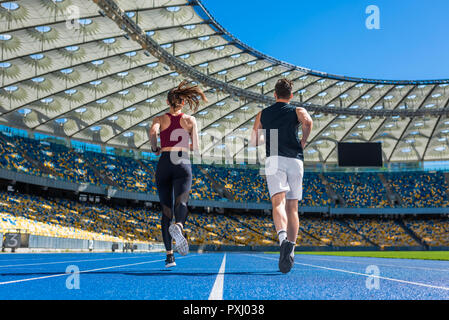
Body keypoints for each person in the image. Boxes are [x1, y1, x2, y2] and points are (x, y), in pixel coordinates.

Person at [250, 78, 313, 274]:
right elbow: (308, 122)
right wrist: (303, 140)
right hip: (295, 159)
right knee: (292, 206)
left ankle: (282, 239)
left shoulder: (263, 113)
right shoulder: (297, 110)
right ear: (291, 96)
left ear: (275, 95)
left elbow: (254, 141)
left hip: (274, 159)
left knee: (278, 202)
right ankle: (290, 250)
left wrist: (266, 136)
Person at [149, 80, 206, 268]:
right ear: (183, 103)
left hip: (164, 161)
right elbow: (196, 147)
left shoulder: (160, 119)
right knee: (181, 202)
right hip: (181, 161)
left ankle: (169, 257)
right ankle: (179, 226)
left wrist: (155, 147)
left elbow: (152, 133)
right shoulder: (190, 120)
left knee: (166, 210)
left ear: (167, 102)